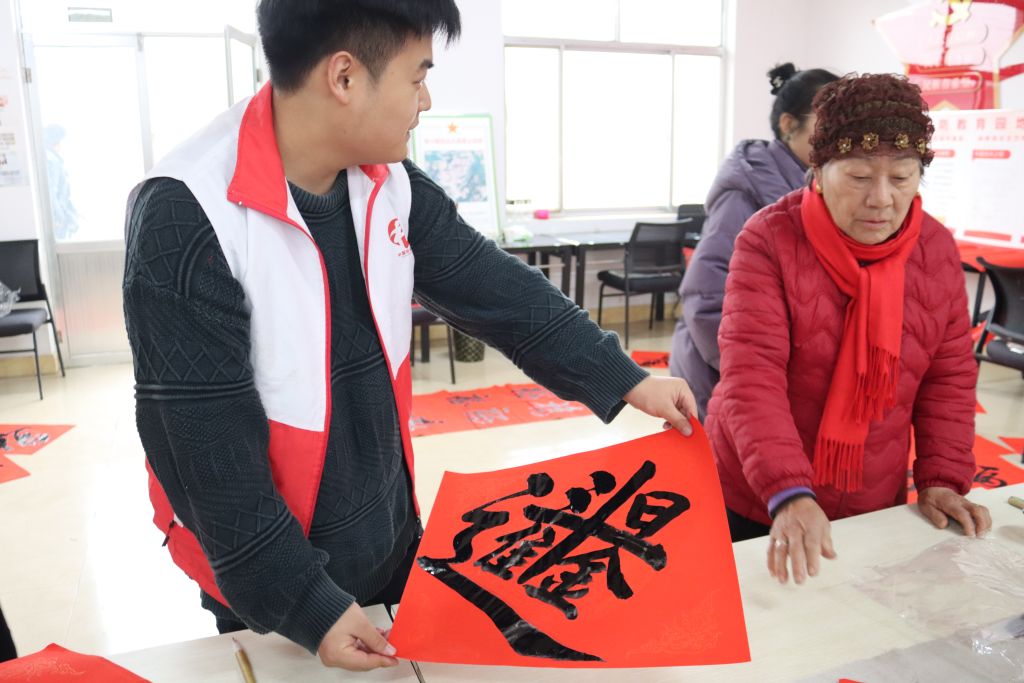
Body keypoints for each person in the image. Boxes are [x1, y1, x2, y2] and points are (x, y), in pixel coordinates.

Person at [121, 0, 697, 673]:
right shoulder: (187, 216)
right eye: (417, 76)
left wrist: (625, 377)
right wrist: (305, 601)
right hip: (268, 579)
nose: (427, 100)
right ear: (344, 78)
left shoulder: (384, 179)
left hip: (388, 536)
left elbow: (495, 287)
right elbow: (207, 458)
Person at [704, 73, 992, 583]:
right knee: (759, 614)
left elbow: (946, 377)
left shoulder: (935, 250)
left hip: (872, 491)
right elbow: (752, 377)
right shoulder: (769, 240)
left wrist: (942, 478)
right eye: (859, 177)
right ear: (818, 169)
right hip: (758, 493)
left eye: (901, 177)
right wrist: (788, 491)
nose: (881, 198)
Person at [670, 63, 838, 419]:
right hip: (721, 377)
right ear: (789, 125)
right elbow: (706, 296)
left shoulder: (818, 188)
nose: (841, 137)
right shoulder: (747, 192)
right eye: (829, 124)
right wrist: (754, 376)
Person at [43, 125, 80, 241]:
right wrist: (60, 218)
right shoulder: (52, 161)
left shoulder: (49, 159)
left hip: (57, 218)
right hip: (57, 221)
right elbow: (51, 193)